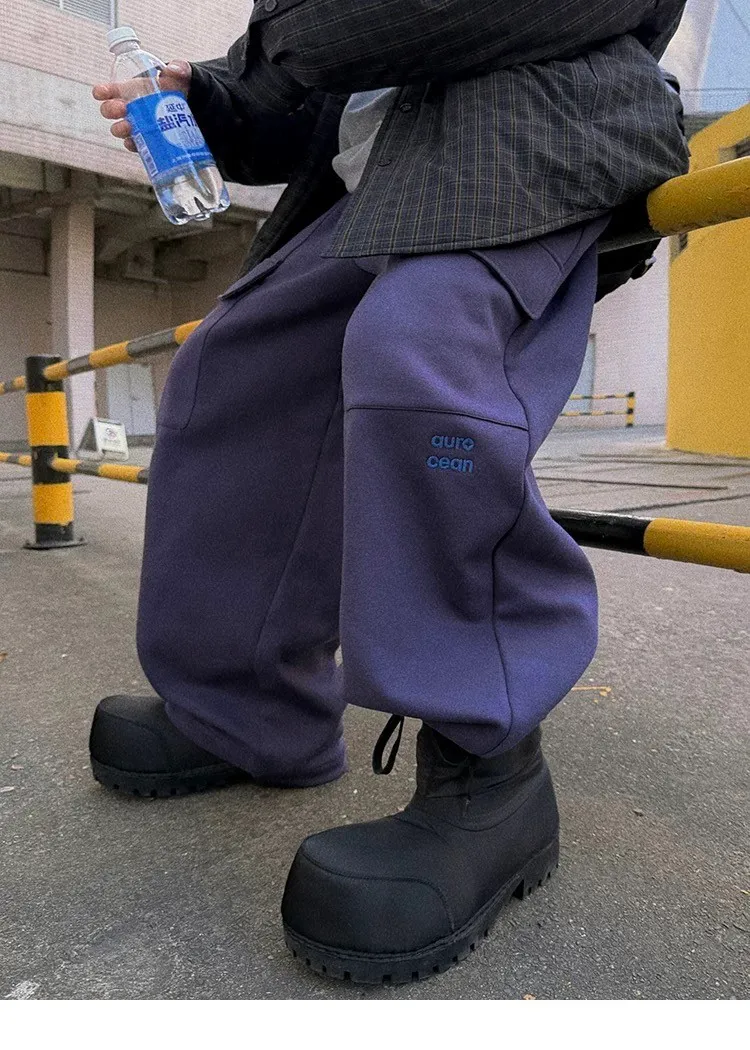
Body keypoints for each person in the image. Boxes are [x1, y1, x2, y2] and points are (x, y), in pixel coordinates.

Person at [90, 0, 689, 984]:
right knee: (233, 370)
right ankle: (246, 708)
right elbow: (304, 97)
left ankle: (493, 776)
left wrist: (283, 48)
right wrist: (211, 101)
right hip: (376, 178)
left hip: (537, 126)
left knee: (421, 362)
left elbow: (377, 25)